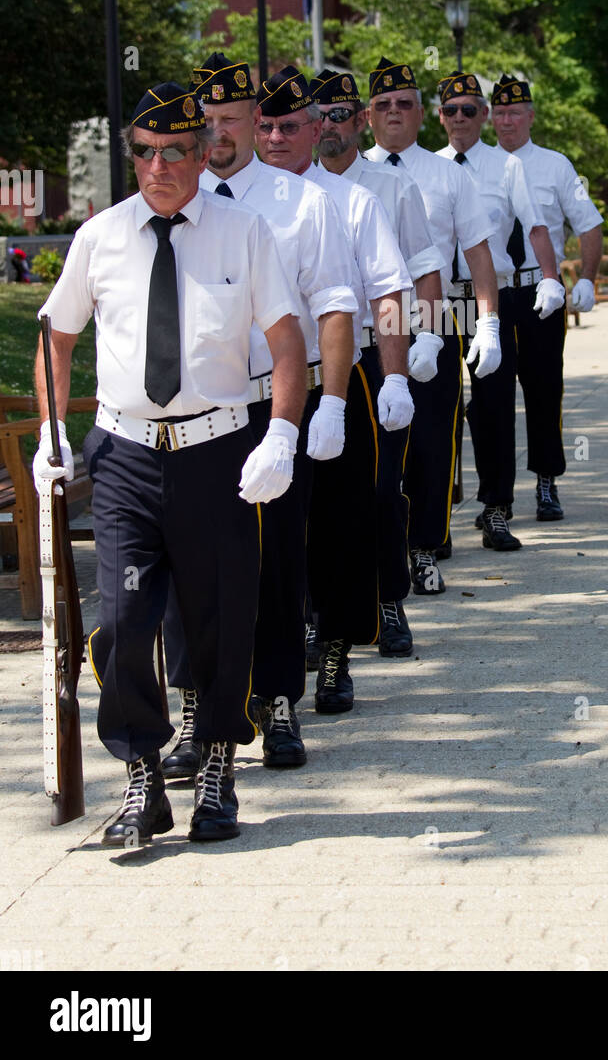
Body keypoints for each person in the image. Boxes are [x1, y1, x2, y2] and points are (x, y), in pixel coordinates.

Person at [32, 82, 308, 844]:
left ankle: (217, 764)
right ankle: (142, 776)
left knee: (220, 618)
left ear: (202, 153)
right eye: (145, 154)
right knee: (122, 620)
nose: (158, 167)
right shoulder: (101, 236)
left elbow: (287, 345)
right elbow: (56, 335)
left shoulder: (243, 232)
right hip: (123, 457)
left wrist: (280, 434)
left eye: (174, 153)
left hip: (217, 453)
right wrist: (51, 433)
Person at [159, 52, 357, 778]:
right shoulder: (171, 200)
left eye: (231, 120)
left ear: (254, 121)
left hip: (272, 404)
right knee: (190, 566)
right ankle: (195, 709)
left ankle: (276, 702)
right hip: (192, 407)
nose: (218, 134)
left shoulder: (302, 202)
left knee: (274, 563)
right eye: (205, 121)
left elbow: (335, 305)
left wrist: (330, 403)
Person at [256, 65, 414, 712]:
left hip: (338, 381)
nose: (275, 138)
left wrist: (398, 373)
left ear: (316, 128)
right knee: (272, 530)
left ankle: (336, 652)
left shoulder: (353, 201)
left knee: (346, 520)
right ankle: (283, 650)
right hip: (254, 390)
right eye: (263, 126)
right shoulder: (235, 200)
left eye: (289, 125)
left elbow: (389, 290)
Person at [313, 67, 446, 655]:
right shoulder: (296, 187)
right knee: (314, 495)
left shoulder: (391, 188)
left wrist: (424, 341)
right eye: (320, 117)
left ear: (360, 121)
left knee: (381, 488)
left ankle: (389, 599)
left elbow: (419, 274)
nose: (330, 129)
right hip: (308, 363)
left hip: (371, 356)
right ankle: (316, 614)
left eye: (341, 116)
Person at [364, 57, 500, 593]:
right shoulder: (352, 171)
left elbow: (479, 255)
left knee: (430, 441)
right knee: (370, 446)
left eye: (404, 103)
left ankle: (424, 547)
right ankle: (377, 551)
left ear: (423, 113)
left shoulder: (448, 175)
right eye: (383, 105)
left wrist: (486, 323)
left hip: (428, 320)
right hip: (361, 328)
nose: (394, 112)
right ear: (367, 115)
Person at [436, 71, 564, 549]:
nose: (460, 118)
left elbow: (535, 226)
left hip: (496, 297)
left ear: (484, 116)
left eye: (470, 110)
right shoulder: (430, 166)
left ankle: (496, 507)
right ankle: (438, 513)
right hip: (442, 301)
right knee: (440, 406)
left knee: (493, 405)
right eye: (451, 110)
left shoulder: (506, 166)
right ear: (441, 115)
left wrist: (550, 277)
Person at [491, 73, 603, 522]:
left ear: (531, 116)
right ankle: (496, 497)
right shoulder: (474, 164)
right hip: (493, 294)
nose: (506, 121)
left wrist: (588, 278)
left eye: (515, 113)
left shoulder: (556, 166)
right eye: (498, 113)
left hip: (543, 292)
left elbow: (589, 223)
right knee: (491, 397)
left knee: (544, 390)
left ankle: (546, 482)